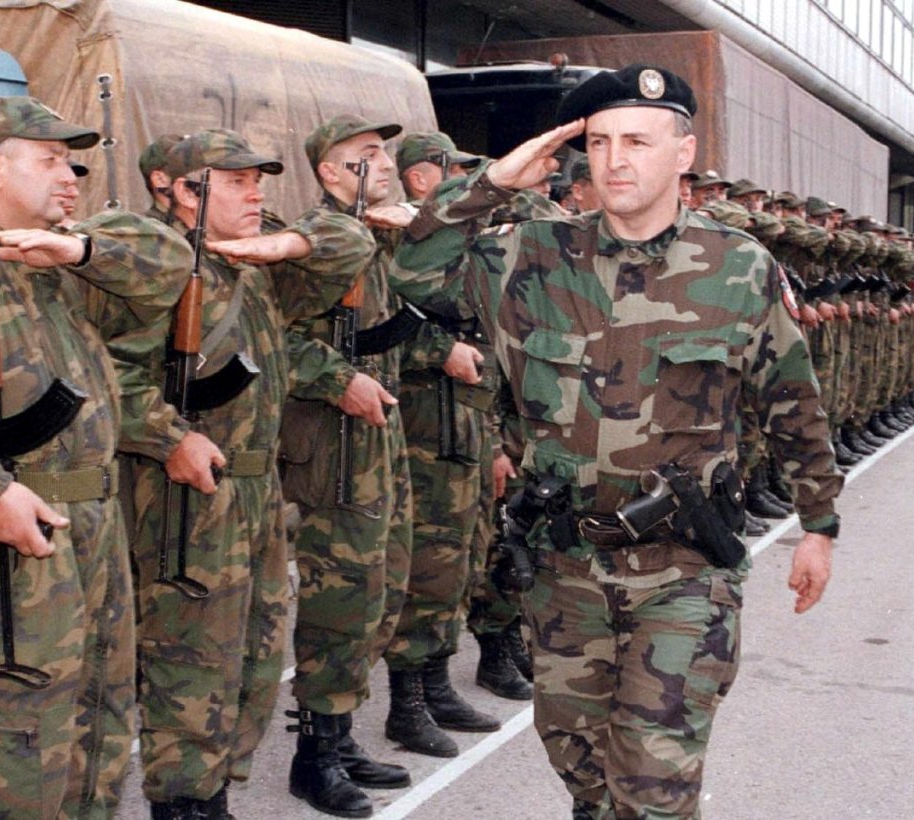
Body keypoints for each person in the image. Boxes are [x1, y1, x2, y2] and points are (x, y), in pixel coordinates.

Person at [389, 64, 842, 818]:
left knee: (653, 788)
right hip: (562, 569)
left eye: (637, 141)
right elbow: (411, 271)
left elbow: (791, 401)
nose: (614, 160)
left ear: (684, 153)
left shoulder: (738, 267)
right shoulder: (529, 256)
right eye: (598, 142)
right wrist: (491, 183)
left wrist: (818, 525)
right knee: (587, 778)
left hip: (683, 572)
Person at [0, 95, 192, 818]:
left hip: (92, 524)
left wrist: (79, 250)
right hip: (4, 535)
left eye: (73, 164)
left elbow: (172, 260)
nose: (71, 178)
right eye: (50, 161)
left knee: (100, 723)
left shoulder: (57, 266)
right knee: (17, 746)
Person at [127, 128, 375, 818]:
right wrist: (168, 435)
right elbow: (106, 374)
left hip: (258, 490)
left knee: (254, 655)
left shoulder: (250, 263)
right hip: (188, 498)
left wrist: (286, 244)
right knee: (190, 660)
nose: (255, 194)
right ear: (180, 191)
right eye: (235, 182)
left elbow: (353, 242)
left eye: (257, 181)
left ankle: (214, 792)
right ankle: (184, 803)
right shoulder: (152, 265)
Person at [279, 114, 479, 817]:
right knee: (341, 600)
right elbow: (274, 338)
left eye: (386, 154)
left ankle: (338, 738)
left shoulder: (370, 237)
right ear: (330, 173)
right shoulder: (317, 244)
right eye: (368, 155)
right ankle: (313, 759)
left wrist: (441, 349)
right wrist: (338, 380)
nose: (386, 164)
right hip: (335, 444)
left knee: (380, 592)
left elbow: (390, 329)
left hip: (379, 435)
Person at [381, 130, 498, 757]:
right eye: (451, 170)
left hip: (464, 419)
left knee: (459, 559)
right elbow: (377, 332)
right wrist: (437, 349)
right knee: (426, 562)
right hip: (421, 423)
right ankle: (407, 703)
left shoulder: (459, 244)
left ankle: (436, 682)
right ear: (421, 178)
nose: (461, 183)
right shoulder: (396, 242)